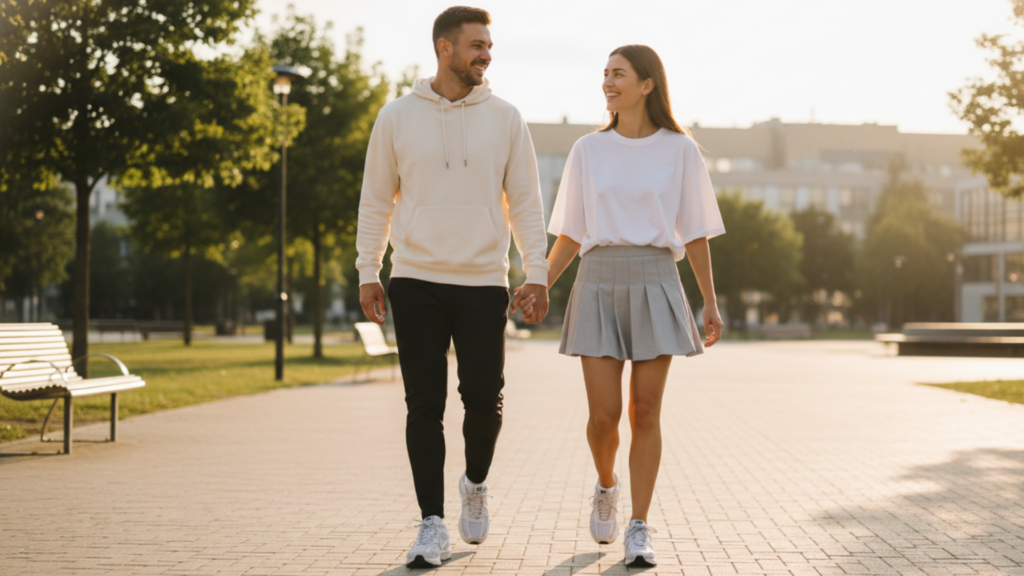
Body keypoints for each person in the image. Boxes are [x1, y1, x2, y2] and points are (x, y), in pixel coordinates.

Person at [355, 5, 550, 569]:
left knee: (484, 400)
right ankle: (432, 523)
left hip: (483, 279)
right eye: (476, 45)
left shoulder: (507, 118)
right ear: (444, 47)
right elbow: (375, 200)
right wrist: (369, 270)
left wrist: (536, 271)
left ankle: (475, 482)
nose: (486, 54)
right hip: (415, 278)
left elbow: (526, 202)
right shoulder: (396, 116)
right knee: (424, 404)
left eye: (488, 45)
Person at [521, 44, 725, 567]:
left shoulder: (681, 150)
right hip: (598, 280)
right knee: (603, 417)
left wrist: (709, 301)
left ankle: (639, 525)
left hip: (657, 278)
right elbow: (571, 232)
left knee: (646, 411)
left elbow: (696, 233)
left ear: (647, 84)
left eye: (619, 74)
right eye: (605, 74)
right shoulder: (588, 150)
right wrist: (539, 281)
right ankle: (607, 485)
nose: (608, 82)